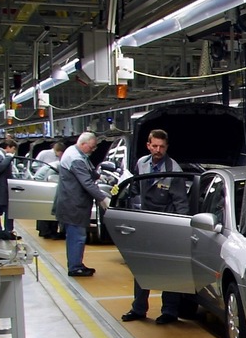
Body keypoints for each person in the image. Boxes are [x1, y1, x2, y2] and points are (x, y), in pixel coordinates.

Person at [121, 129, 191, 324]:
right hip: (144, 223)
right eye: (155, 146)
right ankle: (138, 309)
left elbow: (181, 201)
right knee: (141, 267)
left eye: (162, 146)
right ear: (148, 145)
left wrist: (183, 227)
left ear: (167, 147)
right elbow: (134, 190)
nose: (158, 150)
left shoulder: (174, 170)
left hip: (165, 224)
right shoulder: (141, 164)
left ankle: (169, 311)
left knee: (168, 268)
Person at [53, 132, 109, 277]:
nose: (93, 150)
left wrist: (100, 176)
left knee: (75, 236)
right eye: (91, 147)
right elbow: (87, 183)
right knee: (77, 236)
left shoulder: (75, 152)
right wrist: (103, 198)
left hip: (72, 202)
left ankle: (75, 263)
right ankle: (75, 267)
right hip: (73, 204)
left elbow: (89, 170)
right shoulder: (75, 158)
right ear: (83, 144)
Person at [35, 141, 66, 238]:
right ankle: (47, 232)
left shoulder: (58, 162)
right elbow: (50, 177)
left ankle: (44, 231)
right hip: (42, 183)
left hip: (44, 182)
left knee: (45, 208)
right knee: (47, 208)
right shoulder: (57, 164)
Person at [0, 137, 19, 240]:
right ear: (8, 147)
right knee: (8, 211)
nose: (14, 152)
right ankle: (5, 232)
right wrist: (8, 158)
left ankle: (0, 231)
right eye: (13, 149)